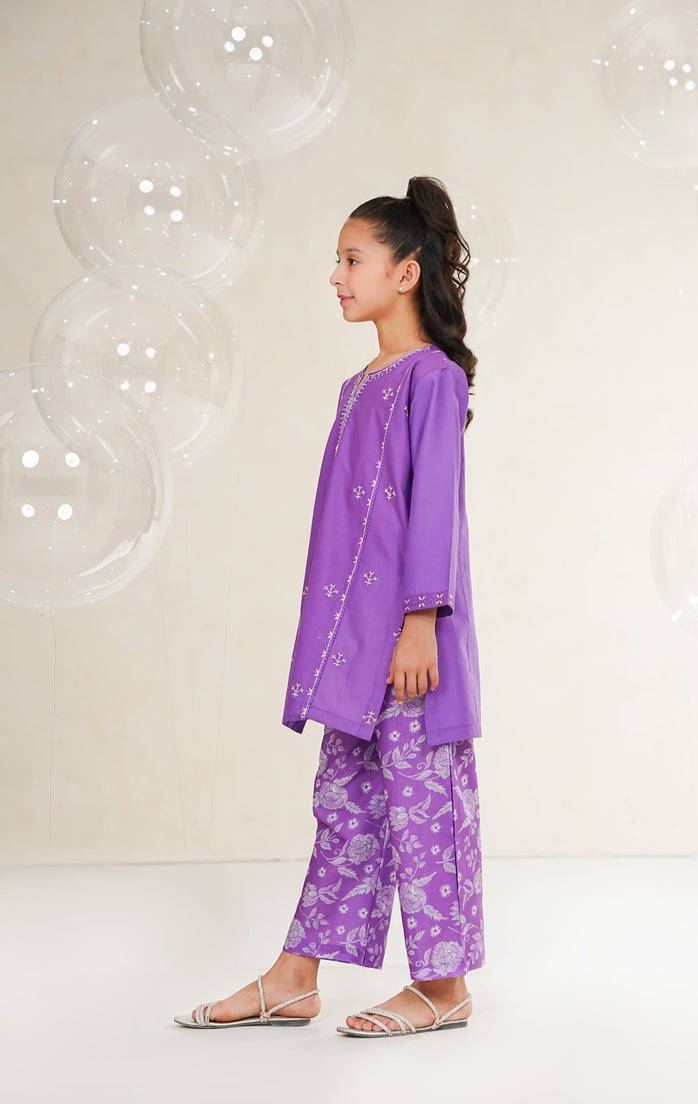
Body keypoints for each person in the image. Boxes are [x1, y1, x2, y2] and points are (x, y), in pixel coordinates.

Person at [175, 175, 485, 1038]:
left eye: (353, 260)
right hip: (354, 647)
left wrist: (421, 621)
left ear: (406, 273)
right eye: (337, 261)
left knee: (425, 804)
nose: (337, 277)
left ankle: (445, 987)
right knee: (344, 804)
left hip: (414, 645)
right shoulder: (359, 386)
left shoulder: (432, 379)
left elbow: (435, 508)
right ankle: (294, 978)